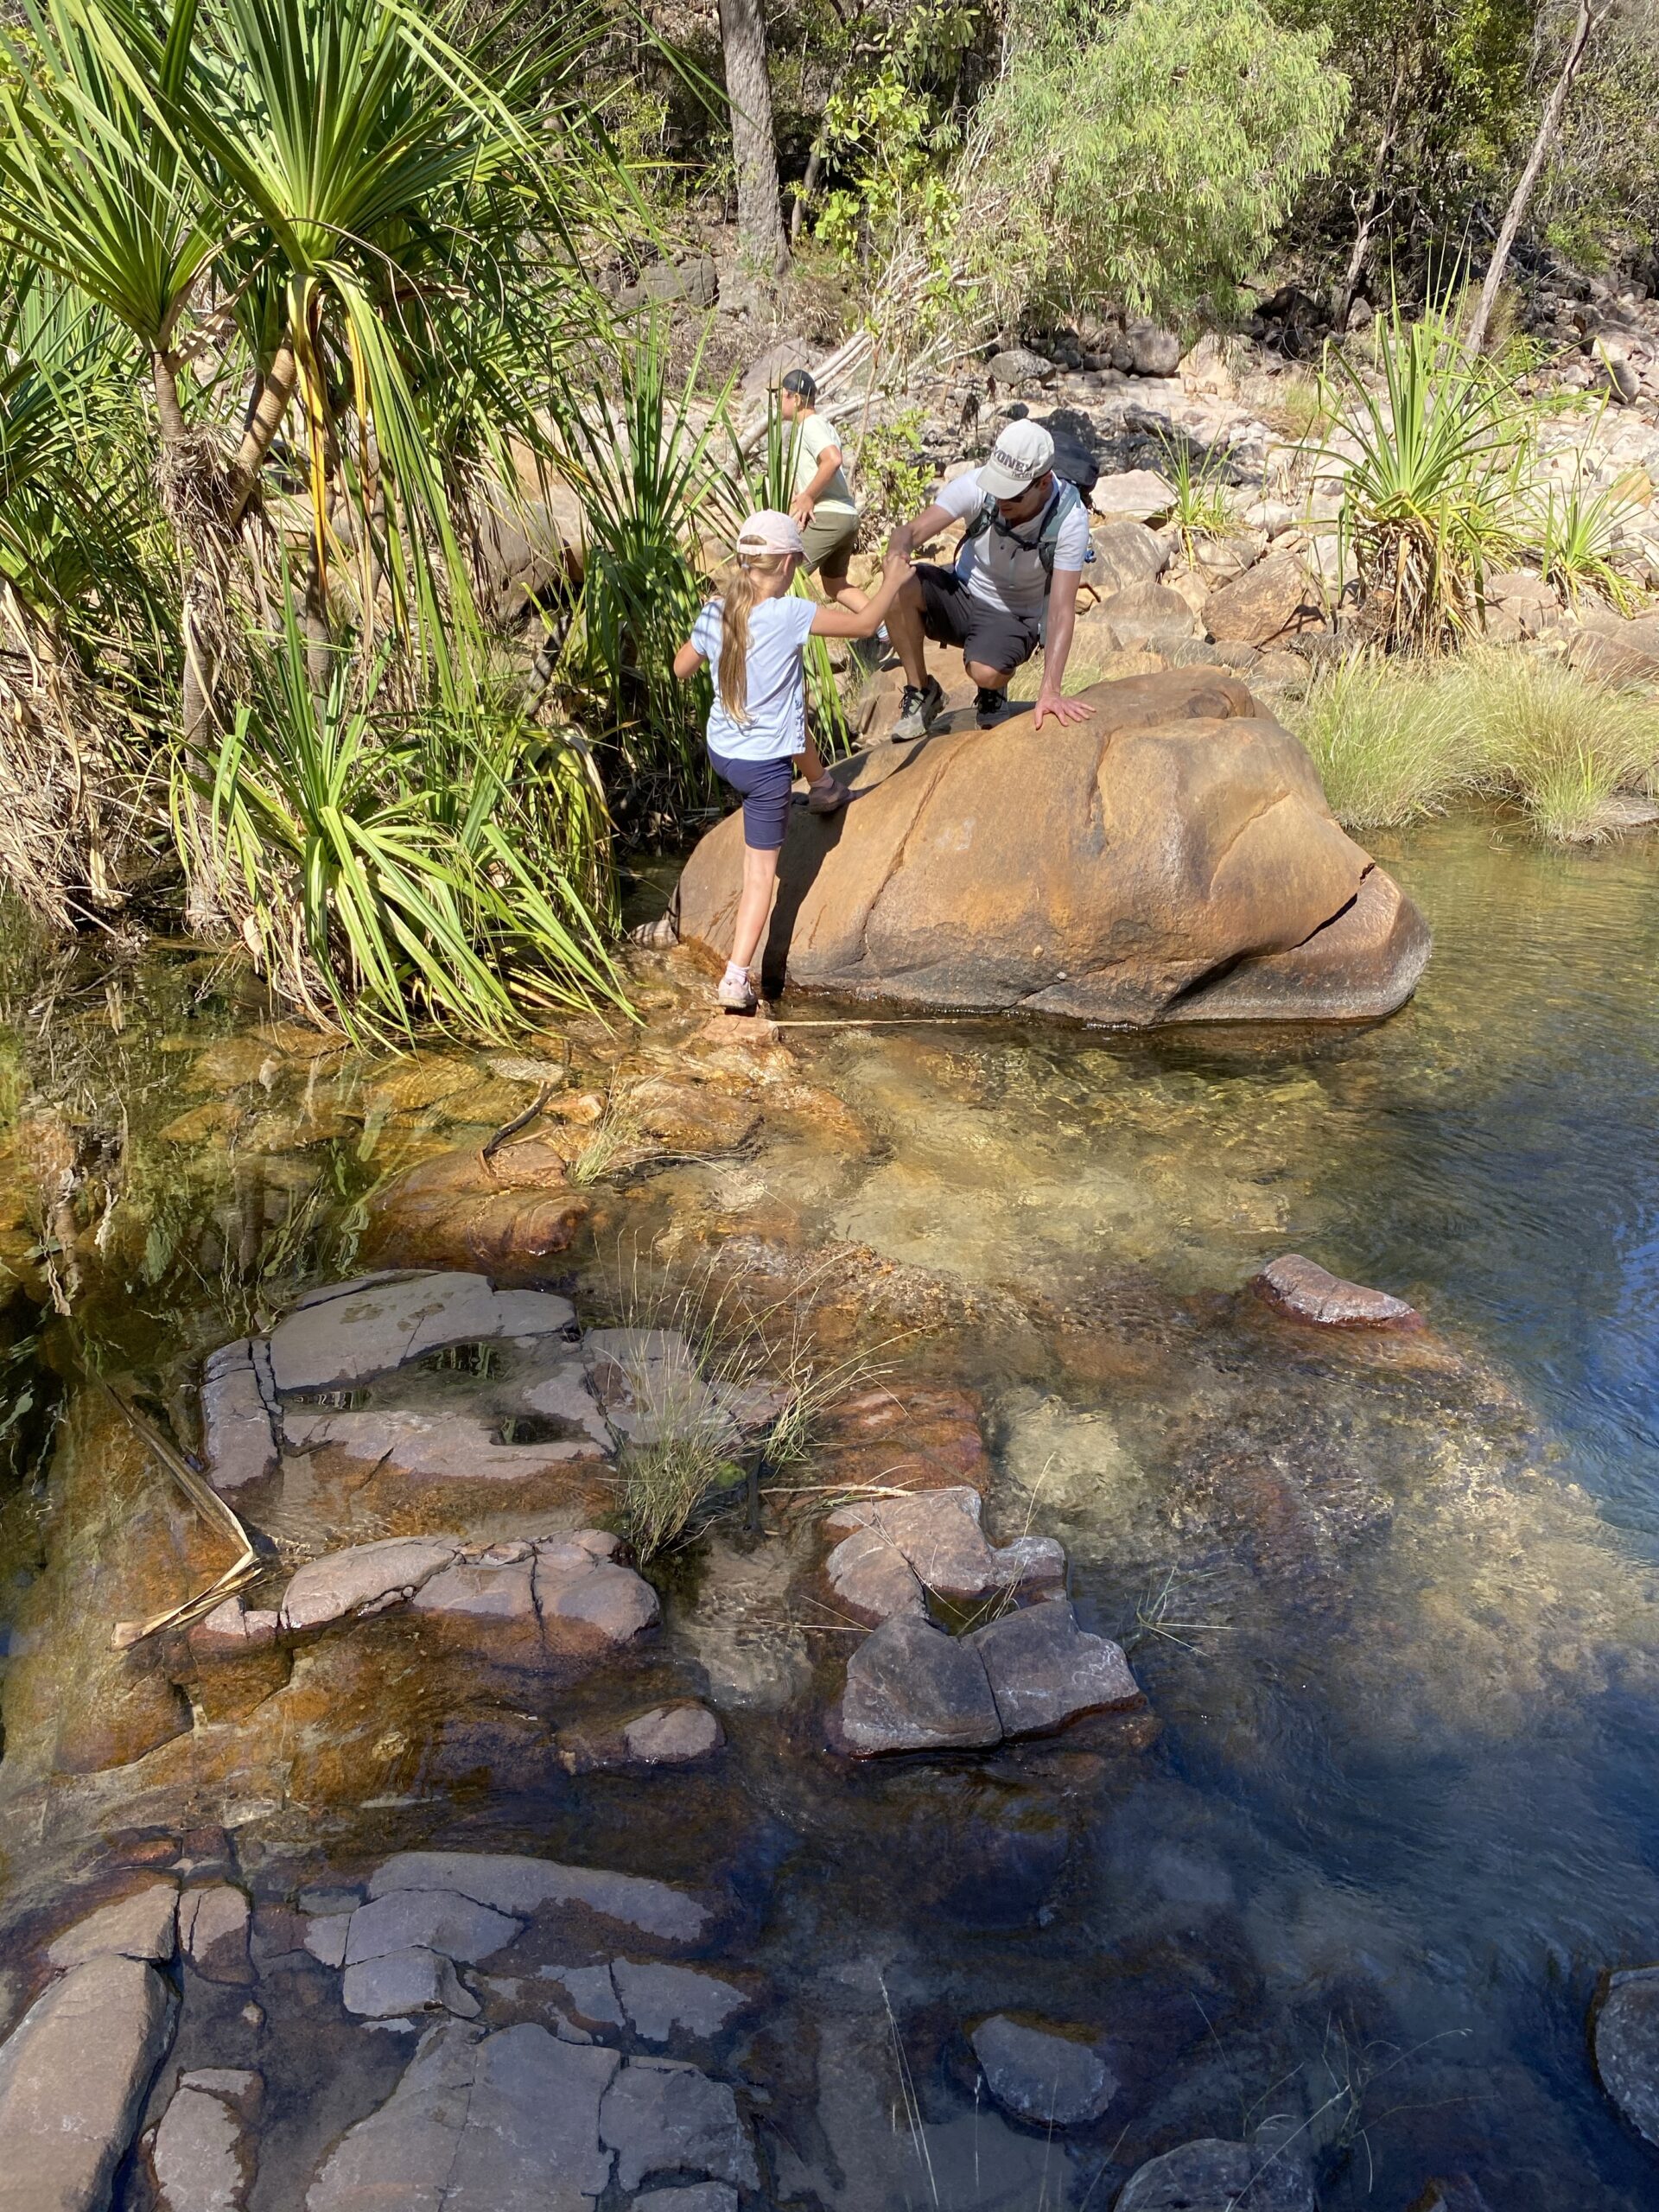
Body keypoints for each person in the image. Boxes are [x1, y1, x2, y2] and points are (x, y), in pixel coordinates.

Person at [672, 511, 910, 1014]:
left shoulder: (716, 612)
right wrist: (892, 581)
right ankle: (736, 978)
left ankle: (822, 785)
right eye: (798, 562)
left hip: (723, 752)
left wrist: (710, 640)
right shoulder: (789, 614)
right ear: (784, 564)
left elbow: (680, 667)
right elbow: (865, 624)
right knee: (761, 877)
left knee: (787, 700)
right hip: (764, 770)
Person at [881, 417, 1096, 739]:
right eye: (998, 488)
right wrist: (896, 555)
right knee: (899, 585)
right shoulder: (977, 486)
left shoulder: (1070, 520)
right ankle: (922, 691)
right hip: (962, 592)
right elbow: (910, 532)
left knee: (985, 672)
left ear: (1043, 482)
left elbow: (1061, 611)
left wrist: (1050, 691)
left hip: (1013, 615)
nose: (1002, 500)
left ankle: (993, 687)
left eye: (1013, 494)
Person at [775, 369, 867, 612]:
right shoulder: (823, 425)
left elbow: (832, 459)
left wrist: (808, 496)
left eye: (780, 396)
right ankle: (884, 627)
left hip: (829, 517)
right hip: (846, 516)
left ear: (796, 399)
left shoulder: (811, 425)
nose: (777, 402)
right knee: (835, 585)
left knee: (782, 577)